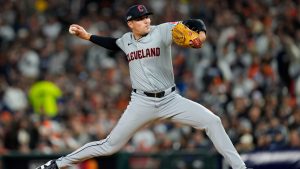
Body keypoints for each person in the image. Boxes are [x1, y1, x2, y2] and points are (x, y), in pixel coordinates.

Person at [36, 4, 247, 169]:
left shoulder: (163, 30)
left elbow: (195, 22)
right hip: (141, 102)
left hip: (171, 100)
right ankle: (56, 164)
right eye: (140, 18)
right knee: (110, 146)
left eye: (147, 16)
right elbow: (112, 43)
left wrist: (200, 34)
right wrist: (87, 36)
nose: (146, 20)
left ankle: (240, 168)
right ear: (130, 23)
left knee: (213, 121)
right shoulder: (126, 40)